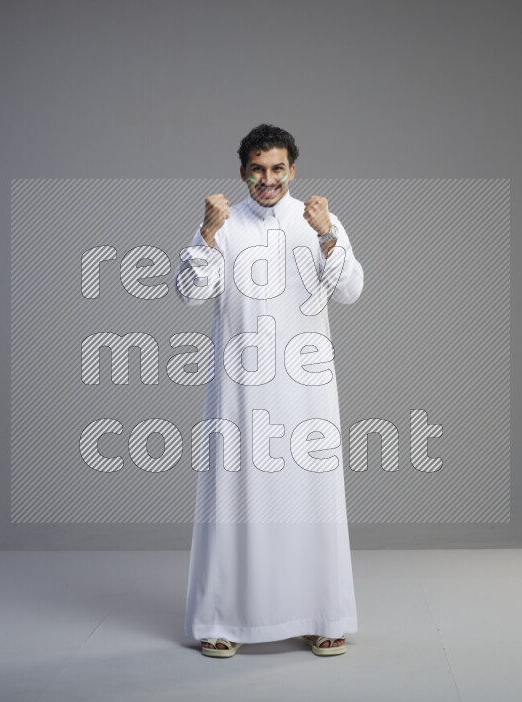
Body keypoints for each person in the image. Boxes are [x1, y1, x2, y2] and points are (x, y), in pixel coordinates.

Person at [174, 124, 364, 657]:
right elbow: (191, 293)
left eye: (277, 169)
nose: (268, 179)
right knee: (233, 498)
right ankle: (222, 620)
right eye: (257, 169)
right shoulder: (225, 223)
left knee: (310, 498)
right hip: (241, 386)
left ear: (292, 171)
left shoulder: (318, 221)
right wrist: (208, 235)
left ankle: (321, 615)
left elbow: (350, 290)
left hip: (307, 388)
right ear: (243, 172)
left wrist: (327, 234)